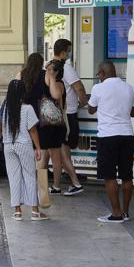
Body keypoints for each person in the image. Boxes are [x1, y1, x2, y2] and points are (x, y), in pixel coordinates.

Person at [0, 80, 48, 221]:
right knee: (29, 176)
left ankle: (17, 211)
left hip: (8, 146)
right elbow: (32, 130)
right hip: (24, 144)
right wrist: (38, 148)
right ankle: (34, 211)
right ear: (23, 92)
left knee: (14, 177)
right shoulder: (27, 109)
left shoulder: (3, 109)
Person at [88, 61, 134, 223]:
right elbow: (133, 112)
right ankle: (126, 212)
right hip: (127, 136)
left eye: (98, 74)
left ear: (102, 73)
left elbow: (90, 109)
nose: (98, 77)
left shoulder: (98, 88)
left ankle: (116, 213)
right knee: (127, 176)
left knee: (109, 176)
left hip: (107, 137)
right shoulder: (129, 88)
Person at [20, 54, 67, 194]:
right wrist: (51, 77)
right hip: (48, 120)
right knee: (55, 154)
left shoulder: (21, 75)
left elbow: (17, 96)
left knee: (38, 154)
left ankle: (40, 188)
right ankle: (56, 186)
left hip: (30, 119)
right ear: (41, 63)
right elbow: (56, 95)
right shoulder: (46, 74)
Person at [52, 39, 87, 196]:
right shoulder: (66, 68)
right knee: (61, 152)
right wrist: (84, 102)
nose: (70, 54)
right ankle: (70, 183)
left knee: (59, 152)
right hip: (67, 114)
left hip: (55, 115)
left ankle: (63, 184)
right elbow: (79, 87)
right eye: (69, 51)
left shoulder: (49, 68)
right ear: (64, 52)